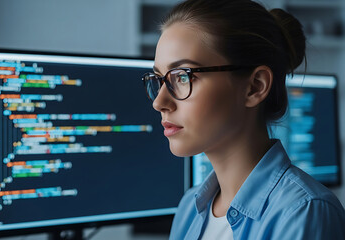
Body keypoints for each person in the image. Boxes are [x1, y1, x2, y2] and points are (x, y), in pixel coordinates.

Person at [141, 0, 345, 239]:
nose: (159, 102)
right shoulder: (189, 208)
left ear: (255, 87)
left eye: (183, 77)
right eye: (158, 79)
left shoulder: (304, 212)